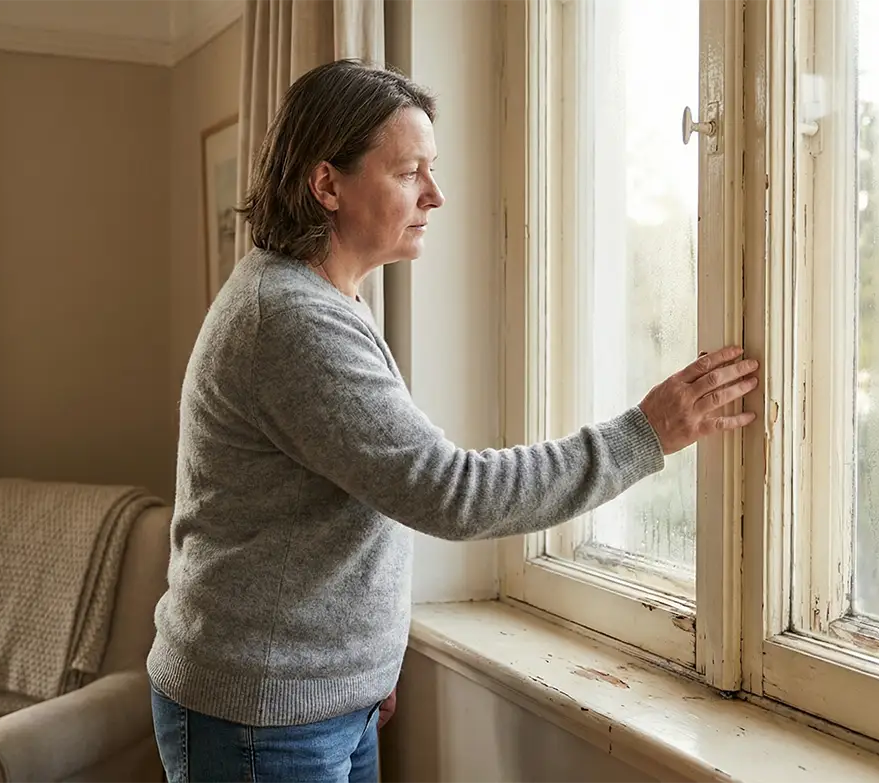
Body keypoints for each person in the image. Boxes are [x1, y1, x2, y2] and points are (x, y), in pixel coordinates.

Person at [147, 58, 761, 783]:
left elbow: (351, 495)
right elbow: (450, 491)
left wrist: (365, 660)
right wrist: (644, 434)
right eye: (410, 172)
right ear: (327, 184)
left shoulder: (323, 296)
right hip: (263, 717)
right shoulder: (289, 321)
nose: (436, 195)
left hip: (313, 698)